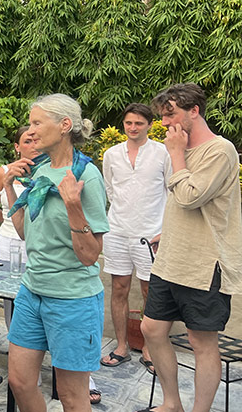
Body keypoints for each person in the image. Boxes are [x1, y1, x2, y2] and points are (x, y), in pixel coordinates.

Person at [139, 83, 242, 412]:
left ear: (194, 111)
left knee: (201, 341)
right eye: (163, 117)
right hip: (171, 259)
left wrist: (175, 154)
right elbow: (181, 206)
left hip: (204, 264)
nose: (166, 123)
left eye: (171, 115)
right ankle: (172, 404)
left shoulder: (219, 150)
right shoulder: (181, 152)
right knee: (151, 329)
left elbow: (189, 194)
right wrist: (165, 233)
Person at [3, 94, 109, 412]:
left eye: (37, 123)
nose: (31, 131)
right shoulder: (39, 171)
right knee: (20, 382)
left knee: (72, 396)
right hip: (32, 291)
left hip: (73, 299)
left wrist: (74, 206)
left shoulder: (86, 176)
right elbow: (24, 232)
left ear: (64, 126)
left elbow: (90, 255)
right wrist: (9, 187)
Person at [100, 103, 171, 374]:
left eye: (139, 123)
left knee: (150, 291)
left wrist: (165, 230)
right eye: (129, 123)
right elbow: (110, 190)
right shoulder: (111, 154)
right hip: (117, 230)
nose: (133, 128)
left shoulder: (162, 153)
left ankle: (151, 349)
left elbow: (172, 190)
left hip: (151, 233)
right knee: (118, 288)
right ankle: (121, 346)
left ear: (150, 125)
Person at [0, 125, 39, 262]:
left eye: (37, 141)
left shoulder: (48, 173)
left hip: (39, 242)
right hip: (8, 241)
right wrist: (13, 222)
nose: (33, 146)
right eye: (27, 142)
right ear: (17, 147)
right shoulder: (3, 173)